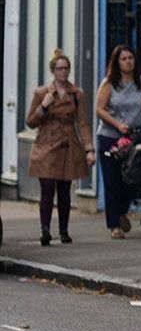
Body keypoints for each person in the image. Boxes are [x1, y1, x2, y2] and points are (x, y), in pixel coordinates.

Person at [25, 50, 95, 246]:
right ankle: (45, 230)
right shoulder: (42, 93)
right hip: (46, 144)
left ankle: (64, 230)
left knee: (64, 189)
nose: (64, 72)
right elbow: (30, 121)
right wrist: (44, 107)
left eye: (66, 68)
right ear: (53, 71)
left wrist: (89, 149)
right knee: (47, 189)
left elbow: (82, 123)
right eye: (60, 69)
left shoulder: (76, 94)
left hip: (68, 144)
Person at [95, 45, 141, 238]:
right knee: (112, 180)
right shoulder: (109, 84)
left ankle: (122, 212)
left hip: (132, 138)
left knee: (132, 179)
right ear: (117, 62)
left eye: (131, 58)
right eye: (124, 59)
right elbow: (99, 109)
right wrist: (117, 125)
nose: (128, 62)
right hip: (110, 137)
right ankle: (113, 225)